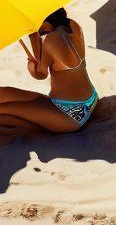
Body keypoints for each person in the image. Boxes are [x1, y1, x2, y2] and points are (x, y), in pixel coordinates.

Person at [0, 8, 98, 140]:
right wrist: (34, 34)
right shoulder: (73, 26)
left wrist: (31, 64)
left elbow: (40, 75)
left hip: (69, 113)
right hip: (90, 99)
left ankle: (27, 129)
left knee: (4, 110)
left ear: (43, 20)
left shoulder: (51, 41)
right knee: (3, 94)